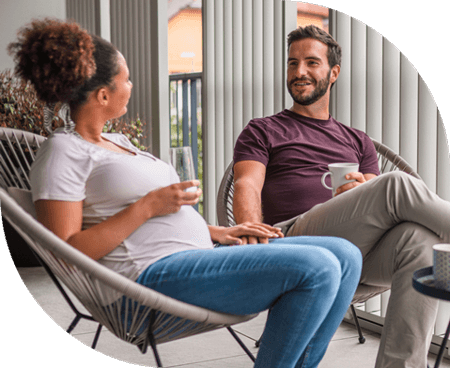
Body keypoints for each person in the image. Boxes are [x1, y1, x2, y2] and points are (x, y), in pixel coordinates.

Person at [8, 19, 363, 368]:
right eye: (126, 79)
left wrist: (218, 232)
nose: (131, 86)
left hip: (199, 257)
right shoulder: (62, 153)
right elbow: (64, 253)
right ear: (103, 95)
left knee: (346, 256)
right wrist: (147, 207)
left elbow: (163, 213)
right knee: (317, 268)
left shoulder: (118, 142)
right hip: (145, 282)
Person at [233, 24, 450, 368]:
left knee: (419, 239)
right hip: (293, 242)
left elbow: (385, 209)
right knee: (396, 186)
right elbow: (246, 184)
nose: (299, 72)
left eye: (311, 63)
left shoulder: (357, 140)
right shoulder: (263, 129)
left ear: (333, 72)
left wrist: (361, 189)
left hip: (357, 255)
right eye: (292, 63)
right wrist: (251, 241)